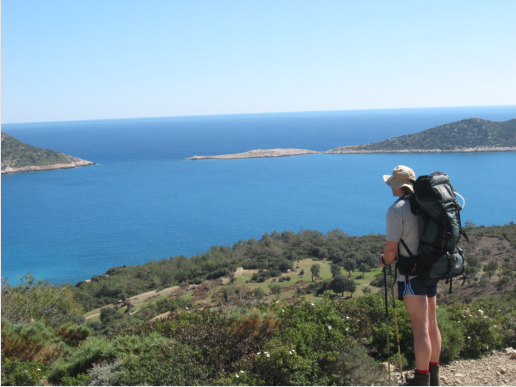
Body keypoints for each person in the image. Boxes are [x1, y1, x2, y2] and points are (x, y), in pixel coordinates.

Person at [378, 165, 441, 386]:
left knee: (420, 328)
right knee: (432, 323)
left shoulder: (398, 209)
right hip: (432, 269)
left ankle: (421, 379)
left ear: (397, 185)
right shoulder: (425, 203)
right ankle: (434, 377)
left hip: (411, 275)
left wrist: (384, 260)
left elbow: (391, 251)